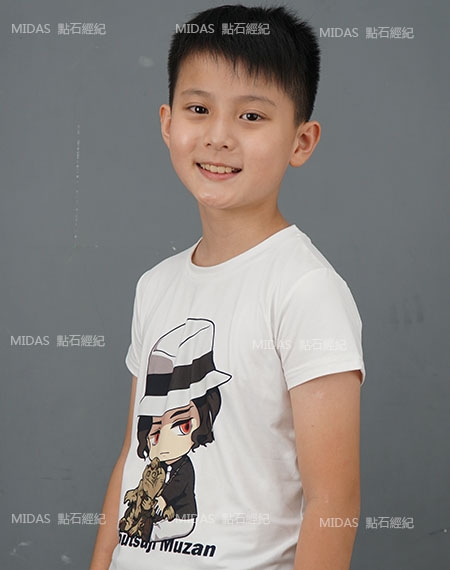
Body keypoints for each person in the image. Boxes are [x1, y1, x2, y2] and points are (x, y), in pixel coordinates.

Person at [90, 4, 366, 570]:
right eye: (199, 109)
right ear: (167, 122)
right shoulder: (155, 286)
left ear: (302, 141)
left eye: (252, 116)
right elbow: (129, 461)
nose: (218, 137)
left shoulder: (306, 289)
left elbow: (333, 503)